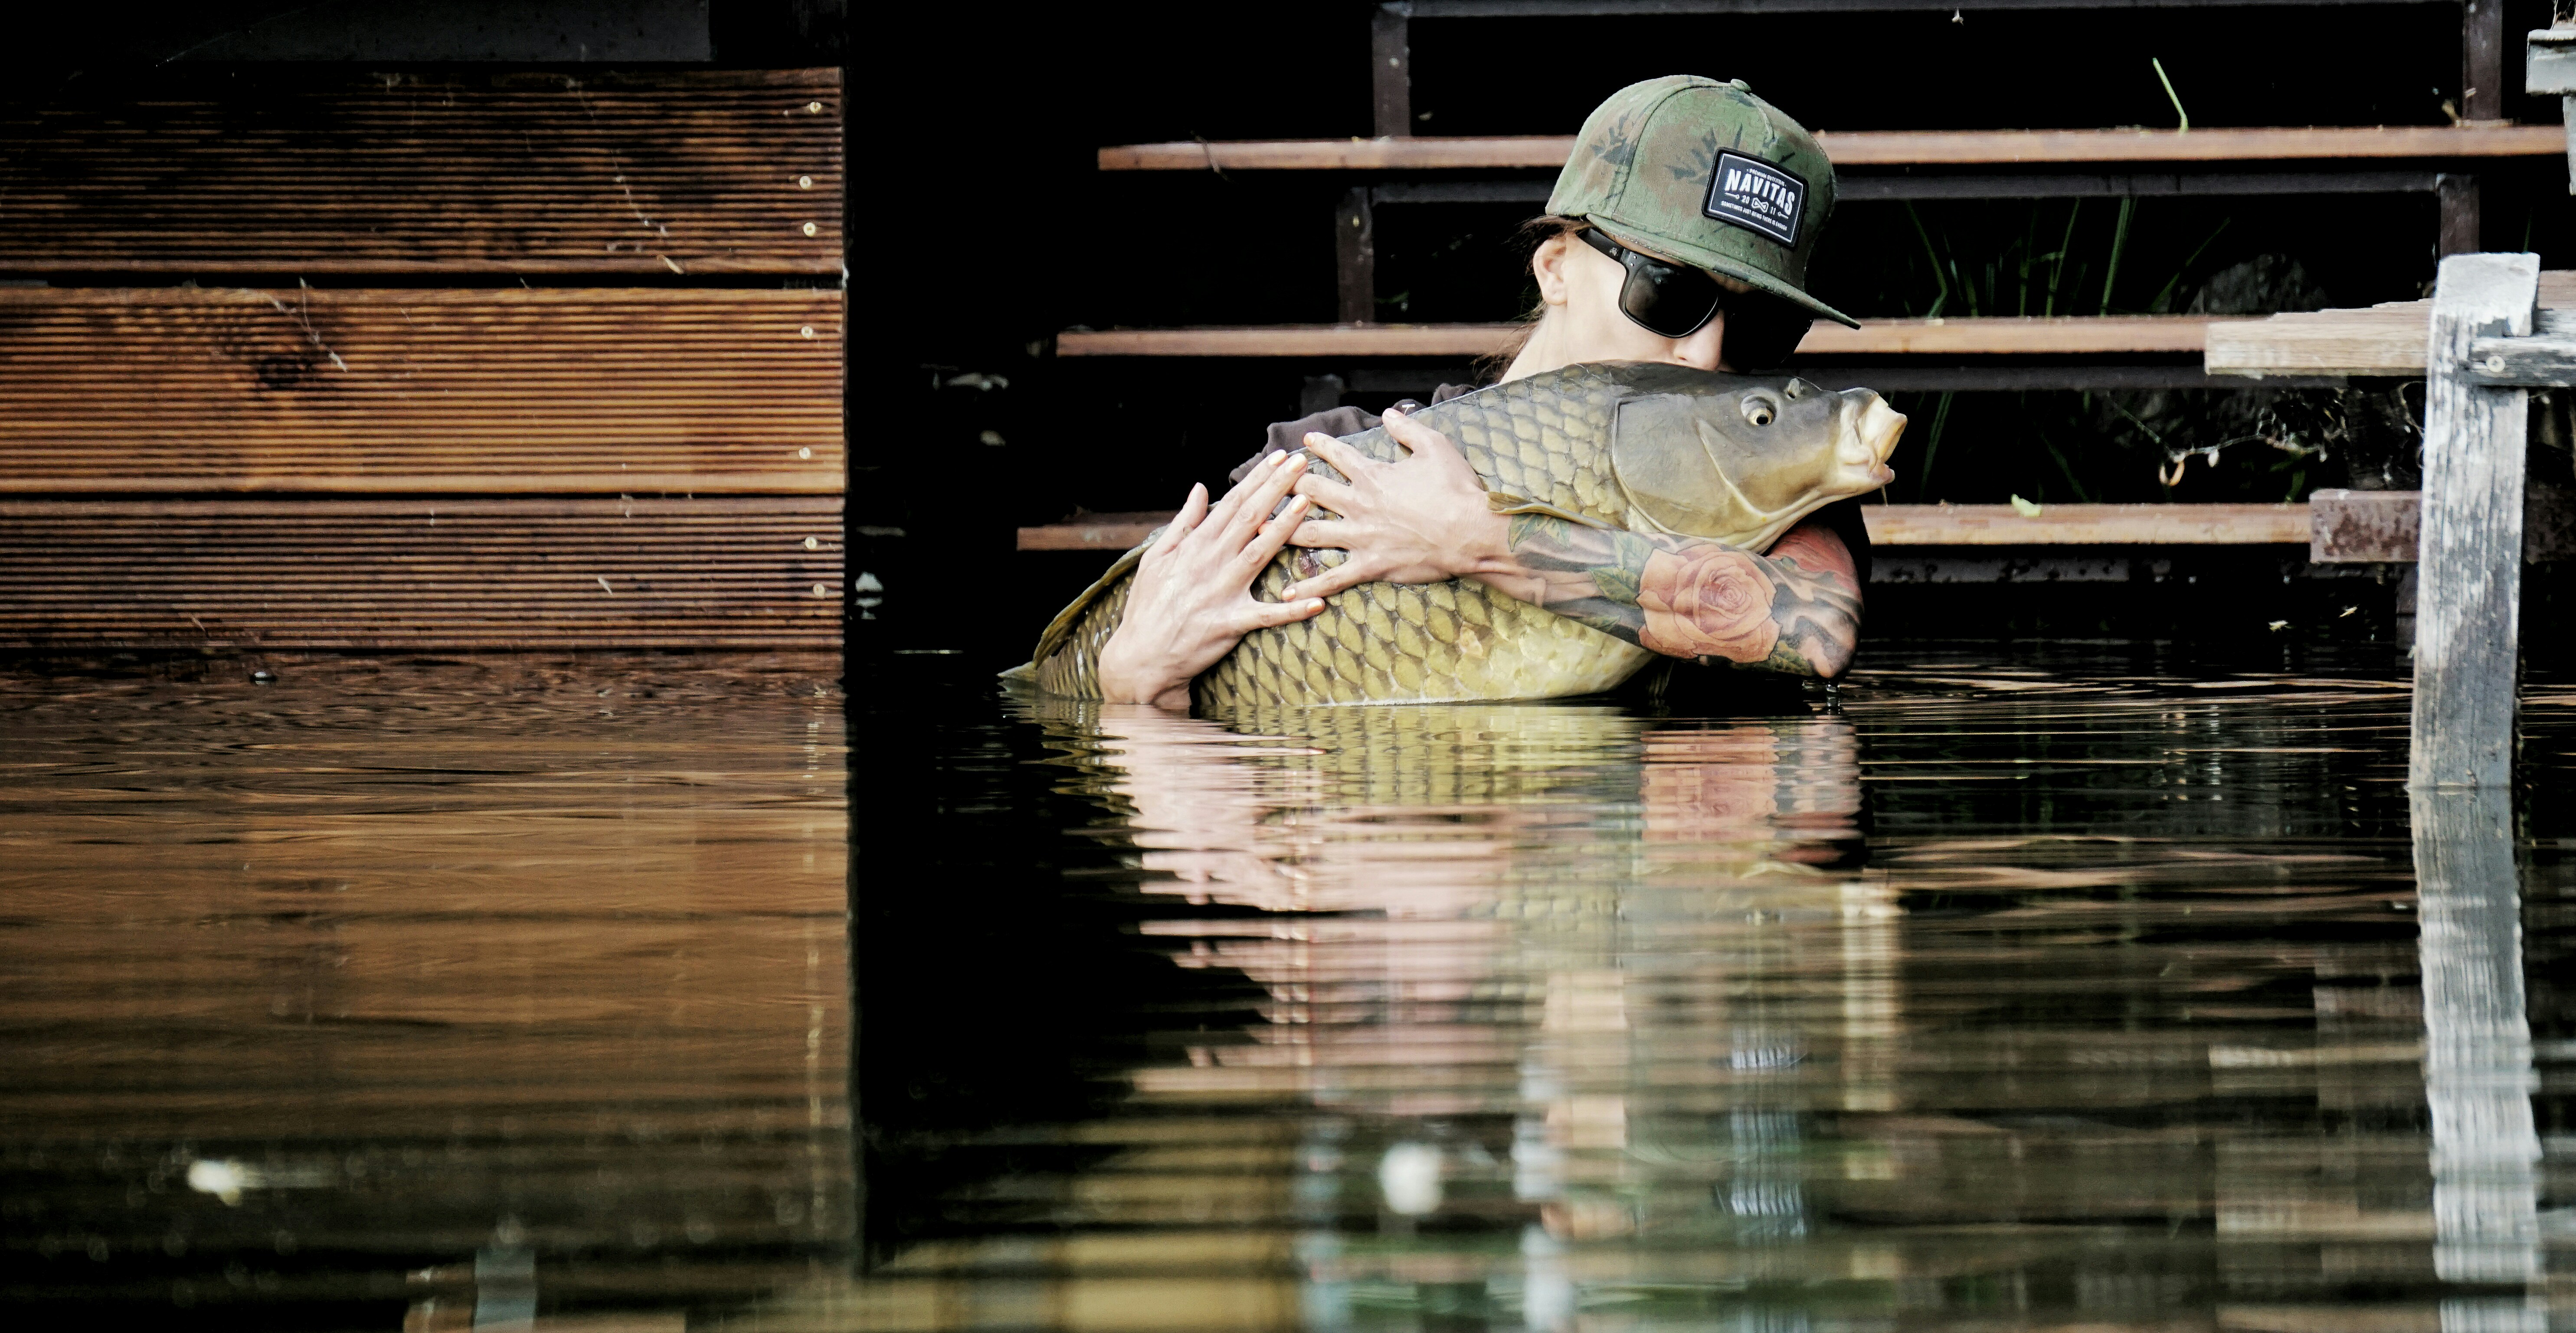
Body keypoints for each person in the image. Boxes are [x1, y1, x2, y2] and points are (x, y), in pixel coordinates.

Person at [1099, 75, 1872, 710]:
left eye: (1761, 329)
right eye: (1669, 294)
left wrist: (1480, 539)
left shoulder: (1757, 478)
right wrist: (1127, 683)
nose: (1706, 352)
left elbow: (1818, 632)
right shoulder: (1328, 459)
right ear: (1557, 266)